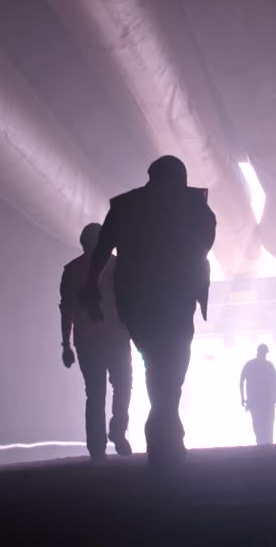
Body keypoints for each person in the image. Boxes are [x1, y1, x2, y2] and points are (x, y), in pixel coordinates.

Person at [81, 156, 215, 466]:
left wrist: (91, 284)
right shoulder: (194, 205)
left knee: (156, 362)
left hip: (137, 299)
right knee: (173, 363)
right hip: (176, 297)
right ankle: (165, 427)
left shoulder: (126, 207)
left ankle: (163, 426)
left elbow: (103, 248)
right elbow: (205, 243)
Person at [59, 223, 133, 460]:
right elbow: (130, 303)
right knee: (123, 386)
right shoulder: (117, 266)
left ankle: (97, 448)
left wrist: (66, 345)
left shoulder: (71, 270)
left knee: (95, 392)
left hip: (87, 341)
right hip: (117, 338)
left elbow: (66, 310)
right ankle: (117, 431)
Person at [240, 344, 276, 445]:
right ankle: (266, 445)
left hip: (258, 400)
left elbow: (241, 381)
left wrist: (242, 398)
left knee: (260, 424)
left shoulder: (250, 364)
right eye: (264, 353)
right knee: (266, 425)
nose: (264, 355)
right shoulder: (268, 365)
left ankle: (262, 445)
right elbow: (275, 383)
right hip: (264, 400)